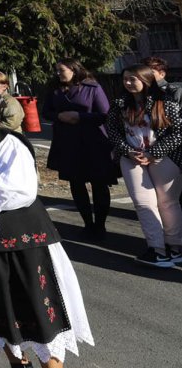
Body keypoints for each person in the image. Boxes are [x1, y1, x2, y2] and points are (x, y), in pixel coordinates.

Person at [0, 83, 93, 368]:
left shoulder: (6, 141)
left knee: (41, 317)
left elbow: (19, 192)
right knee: (2, 316)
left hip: (24, 243)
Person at [105, 64, 182, 267]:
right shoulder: (119, 104)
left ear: (146, 80)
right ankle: (157, 249)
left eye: (133, 79)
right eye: (126, 79)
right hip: (131, 158)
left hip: (164, 158)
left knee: (168, 203)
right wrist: (127, 151)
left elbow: (178, 133)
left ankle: (176, 247)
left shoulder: (165, 102)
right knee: (143, 202)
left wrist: (153, 153)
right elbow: (111, 131)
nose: (128, 83)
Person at [42, 58, 115, 240]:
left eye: (62, 70)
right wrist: (60, 116)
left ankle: (100, 226)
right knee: (76, 183)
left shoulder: (92, 88)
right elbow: (46, 112)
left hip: (93, 143)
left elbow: (105, 114)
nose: (58, 74)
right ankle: (87, 224)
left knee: (99, 183)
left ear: (74, 70)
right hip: (67, 142)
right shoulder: (55, 89)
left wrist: (79, 116)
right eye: (57, 70)